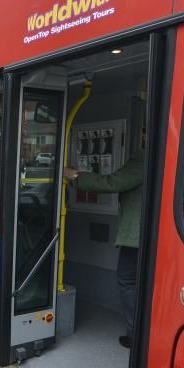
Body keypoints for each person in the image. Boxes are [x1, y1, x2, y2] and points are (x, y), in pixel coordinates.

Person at [64, 148, 144, 349]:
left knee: (127, 280)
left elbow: (113, 182)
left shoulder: (144, 156)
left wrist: (74, 176)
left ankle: (136, 334)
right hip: (153, 235)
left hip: (137, 237)